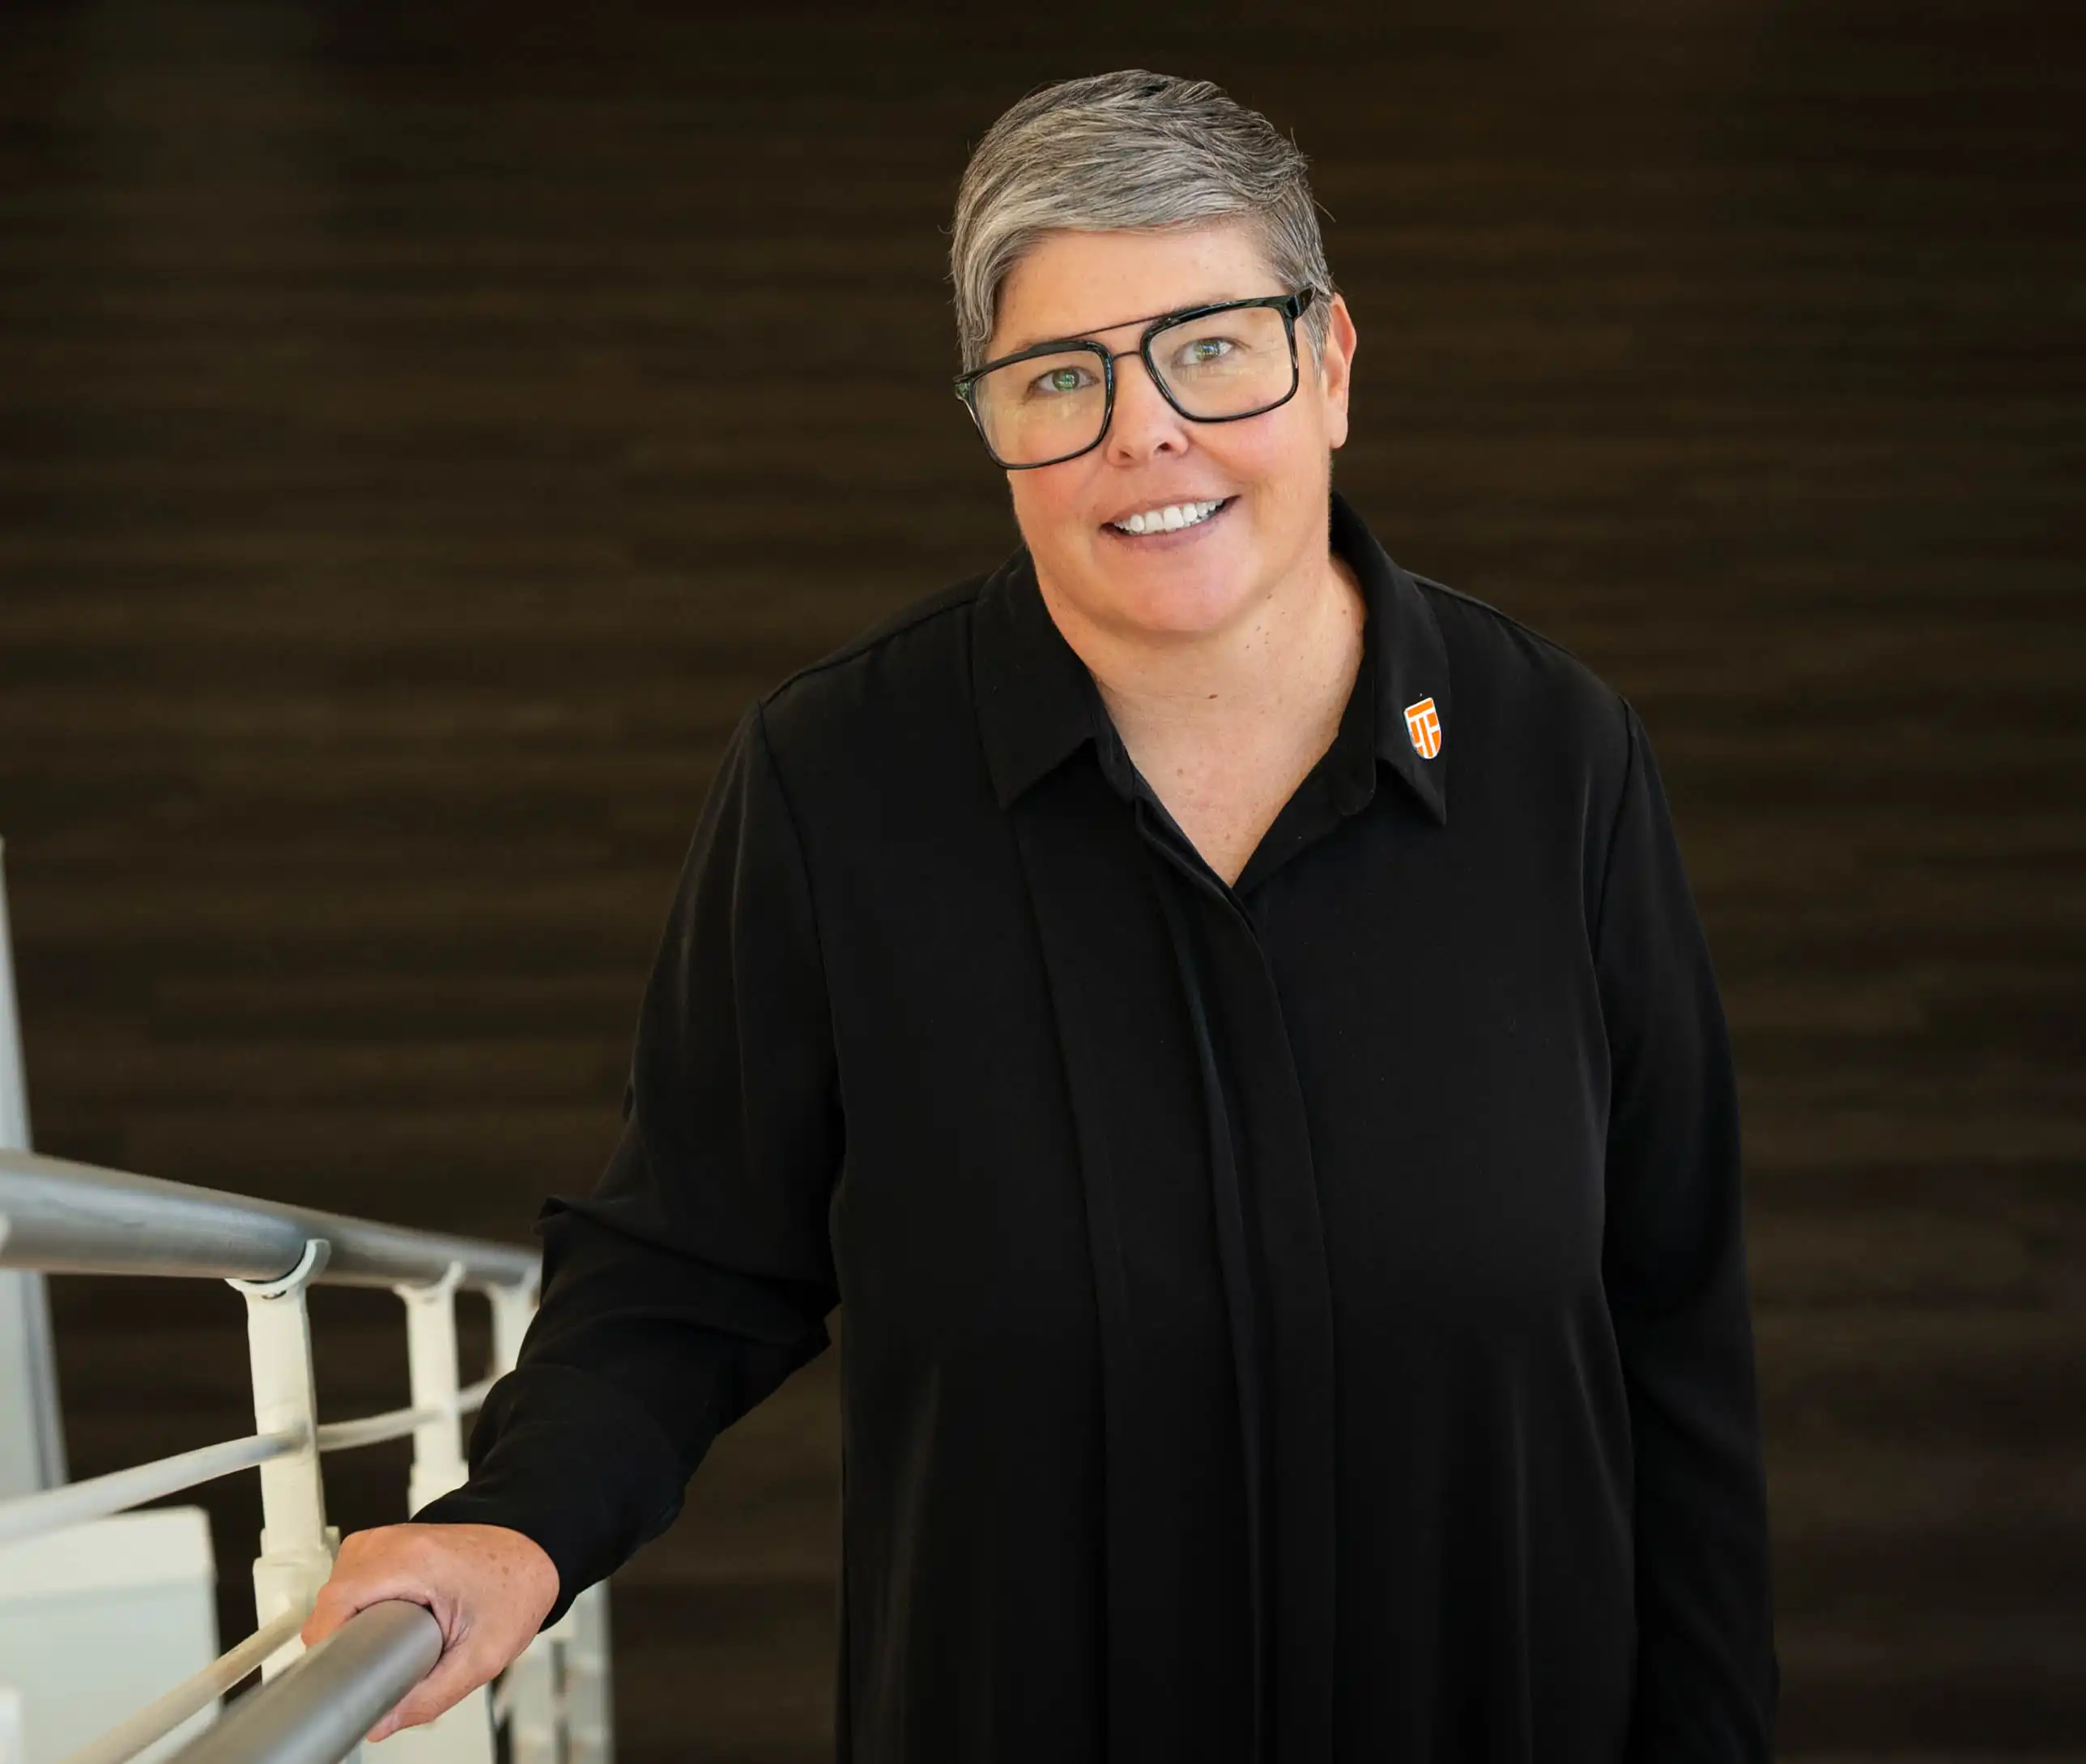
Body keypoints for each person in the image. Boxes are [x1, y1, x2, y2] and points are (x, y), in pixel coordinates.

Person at [304, 69, 1779, 1764]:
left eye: (1210, 344)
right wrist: (520, 1523)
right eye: (1055, 378)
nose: (1141, 432)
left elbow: (1672, 1328)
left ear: (1333, 365)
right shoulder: (832, 779)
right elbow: (686, 1261)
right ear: (989, 423)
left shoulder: (1555, 754)